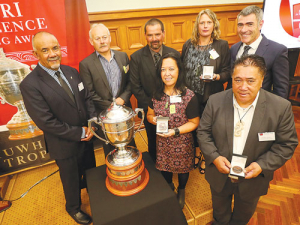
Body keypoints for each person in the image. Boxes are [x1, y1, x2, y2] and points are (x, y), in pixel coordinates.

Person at [197, 54, 298, 225]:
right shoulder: (215, 101)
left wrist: (261, 165)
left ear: (262, 80)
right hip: (219, 174)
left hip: (253, 179)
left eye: (250, 81)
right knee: (220, 213)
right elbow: (203, 133)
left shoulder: (281, 107)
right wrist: (214, 157)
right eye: (238, 80)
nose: (243, 87)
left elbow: (286, 145)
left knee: (242, 217)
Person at [20, 32, 96, 224]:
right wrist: (79, 133)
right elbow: (46, 121)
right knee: (70, 179)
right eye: (45, 50)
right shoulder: (30, 84)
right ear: (35, 54)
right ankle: (73, 208)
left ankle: (94, 197)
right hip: (64, 144)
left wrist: (91, 123)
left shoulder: (71, 71)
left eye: (55, 48)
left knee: (90, 171)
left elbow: (86, 98)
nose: (52, 54)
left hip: (87, 136)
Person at [147, 52, 200, 209]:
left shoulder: (189, 96)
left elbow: (194, 122)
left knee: (183, 168)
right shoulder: (156, 95)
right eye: (163, 70)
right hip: (162, 142)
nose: (167, 73)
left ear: (179, 71)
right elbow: (150, 115)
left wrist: (175, 131)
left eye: (171, 69)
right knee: (164, 166)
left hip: (182, 141)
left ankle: (181, 190)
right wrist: (153, 119)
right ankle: (169, 186)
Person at [181, 9, 231, 174]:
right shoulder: (188, 44)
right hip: (190, 97)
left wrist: (216, 77)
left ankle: (207, 156)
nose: (205, 26)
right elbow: (182, 70)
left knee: (208, 128)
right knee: (193, 126)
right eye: (202, 22)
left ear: (214, 24)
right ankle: (196, 152)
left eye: (209, 22)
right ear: (197, 25)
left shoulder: (221, 45)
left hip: (210, 96)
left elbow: (227, 72)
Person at [79, 23, 135, 156]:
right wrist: (112, 106)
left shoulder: (123, 57)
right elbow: (89, 93)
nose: (102, 41)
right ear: (91, 41)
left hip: (124, 110)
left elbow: (130, 82)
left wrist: (123, 99)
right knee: (111, 148)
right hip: (105, 114)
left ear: (109, 38)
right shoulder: (86, 64)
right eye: (97, 38)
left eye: (104, 37)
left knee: (130, 143)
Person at [130, 18, 180, 162]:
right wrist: (154, 106)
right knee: (153, 140)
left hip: (174, 107)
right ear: (145, 36)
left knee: (174, 137)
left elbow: (180, 80)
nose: (154, 39)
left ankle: (174, 163)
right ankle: (156, 168)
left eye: (157, 34)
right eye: (150, 35)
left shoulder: (174, 54)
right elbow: (135, 87)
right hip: (149, 109)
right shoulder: (136, 58)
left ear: (163, 34)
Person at [227, 5, 289, 99]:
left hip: (261, 108)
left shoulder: (277, 51)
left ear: (260, 24)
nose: (243, 30)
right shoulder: (234, 49)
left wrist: (274, 113)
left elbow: (281, 90)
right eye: (240, 25)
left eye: (249, 24)